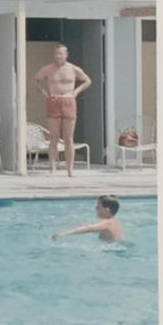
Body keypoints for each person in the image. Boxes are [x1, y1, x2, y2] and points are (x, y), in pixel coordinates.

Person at [33, 44, 92, 177]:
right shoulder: (48, 69)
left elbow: (87, 81)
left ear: (66, 54)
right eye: (56, 54)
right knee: (54, 137)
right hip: (54, 101)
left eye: (61, 54)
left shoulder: (73, 69)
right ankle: (52, 168)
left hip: (69, 101)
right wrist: (44, 92)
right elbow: (36, 80)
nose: (58, 56)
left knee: (68, 138)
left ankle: (70, 169)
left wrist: (76, 91)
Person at [52, 195, 123, 243]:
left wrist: (63, 234)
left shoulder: (107, 223)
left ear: (106, 210)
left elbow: (88, 228)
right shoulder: (115, 222)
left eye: (98, 207)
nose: (96, 209)